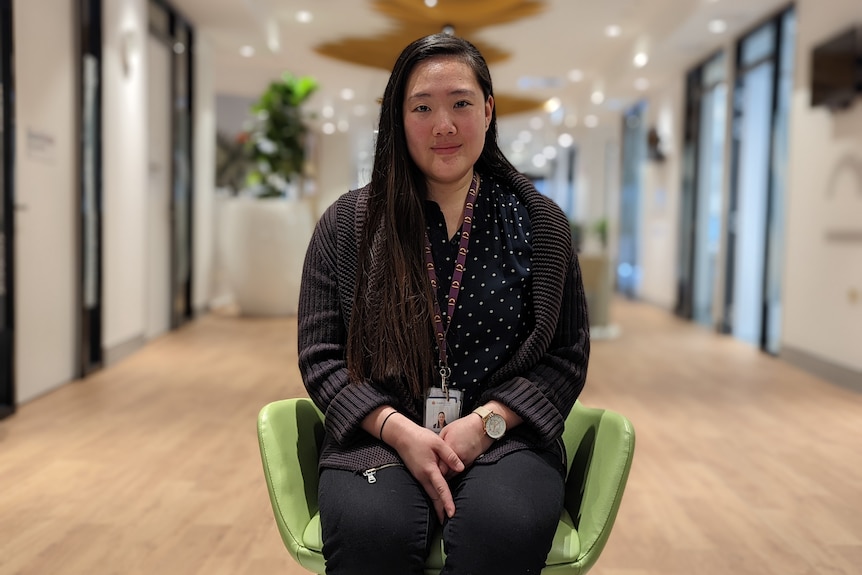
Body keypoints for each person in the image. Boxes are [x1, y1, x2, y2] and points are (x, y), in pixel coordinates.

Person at [297, 32, 589, 575]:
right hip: (377, 437)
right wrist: (395, 428)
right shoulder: (346, 226)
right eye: (422, 107)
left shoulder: (540, 224)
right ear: (397, 118)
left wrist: (485, 425)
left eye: (461, 104)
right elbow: (321, 355)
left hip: (508, 439)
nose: (445, 125)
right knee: (370, 534)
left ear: (489, 109)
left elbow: (566, 358)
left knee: (502, 529)